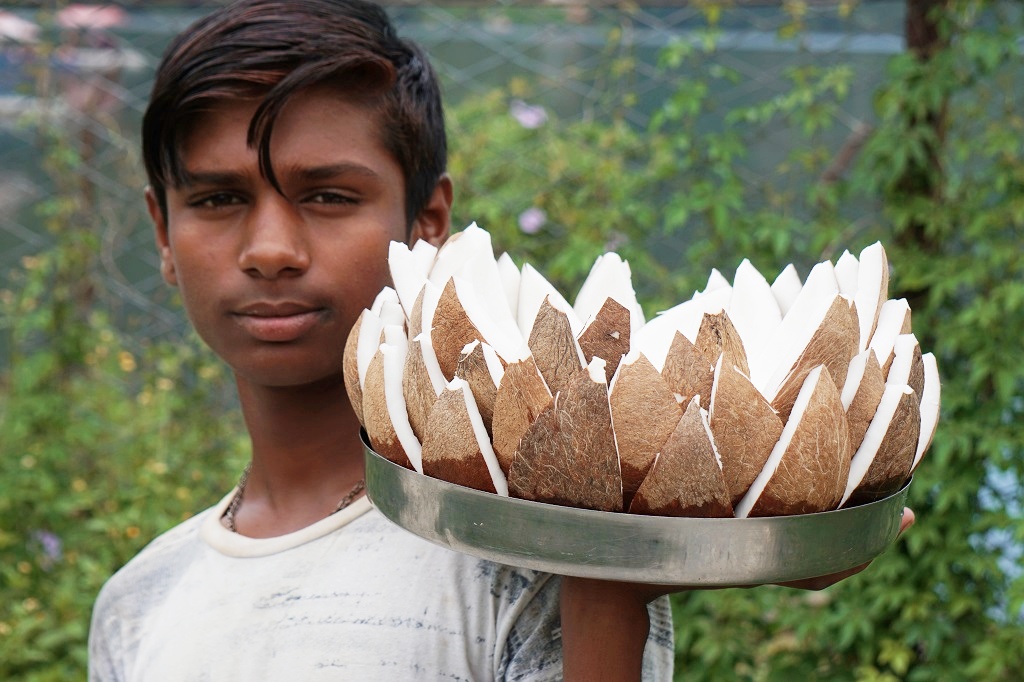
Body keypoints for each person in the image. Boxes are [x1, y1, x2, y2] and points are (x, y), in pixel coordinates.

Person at [88, 2, 915, 680]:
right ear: (162, 230)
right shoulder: (138, 602)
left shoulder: (533, 555)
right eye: (218, 200)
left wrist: (611, 578)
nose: (270, 249)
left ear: (428, 225)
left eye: (329, 196)